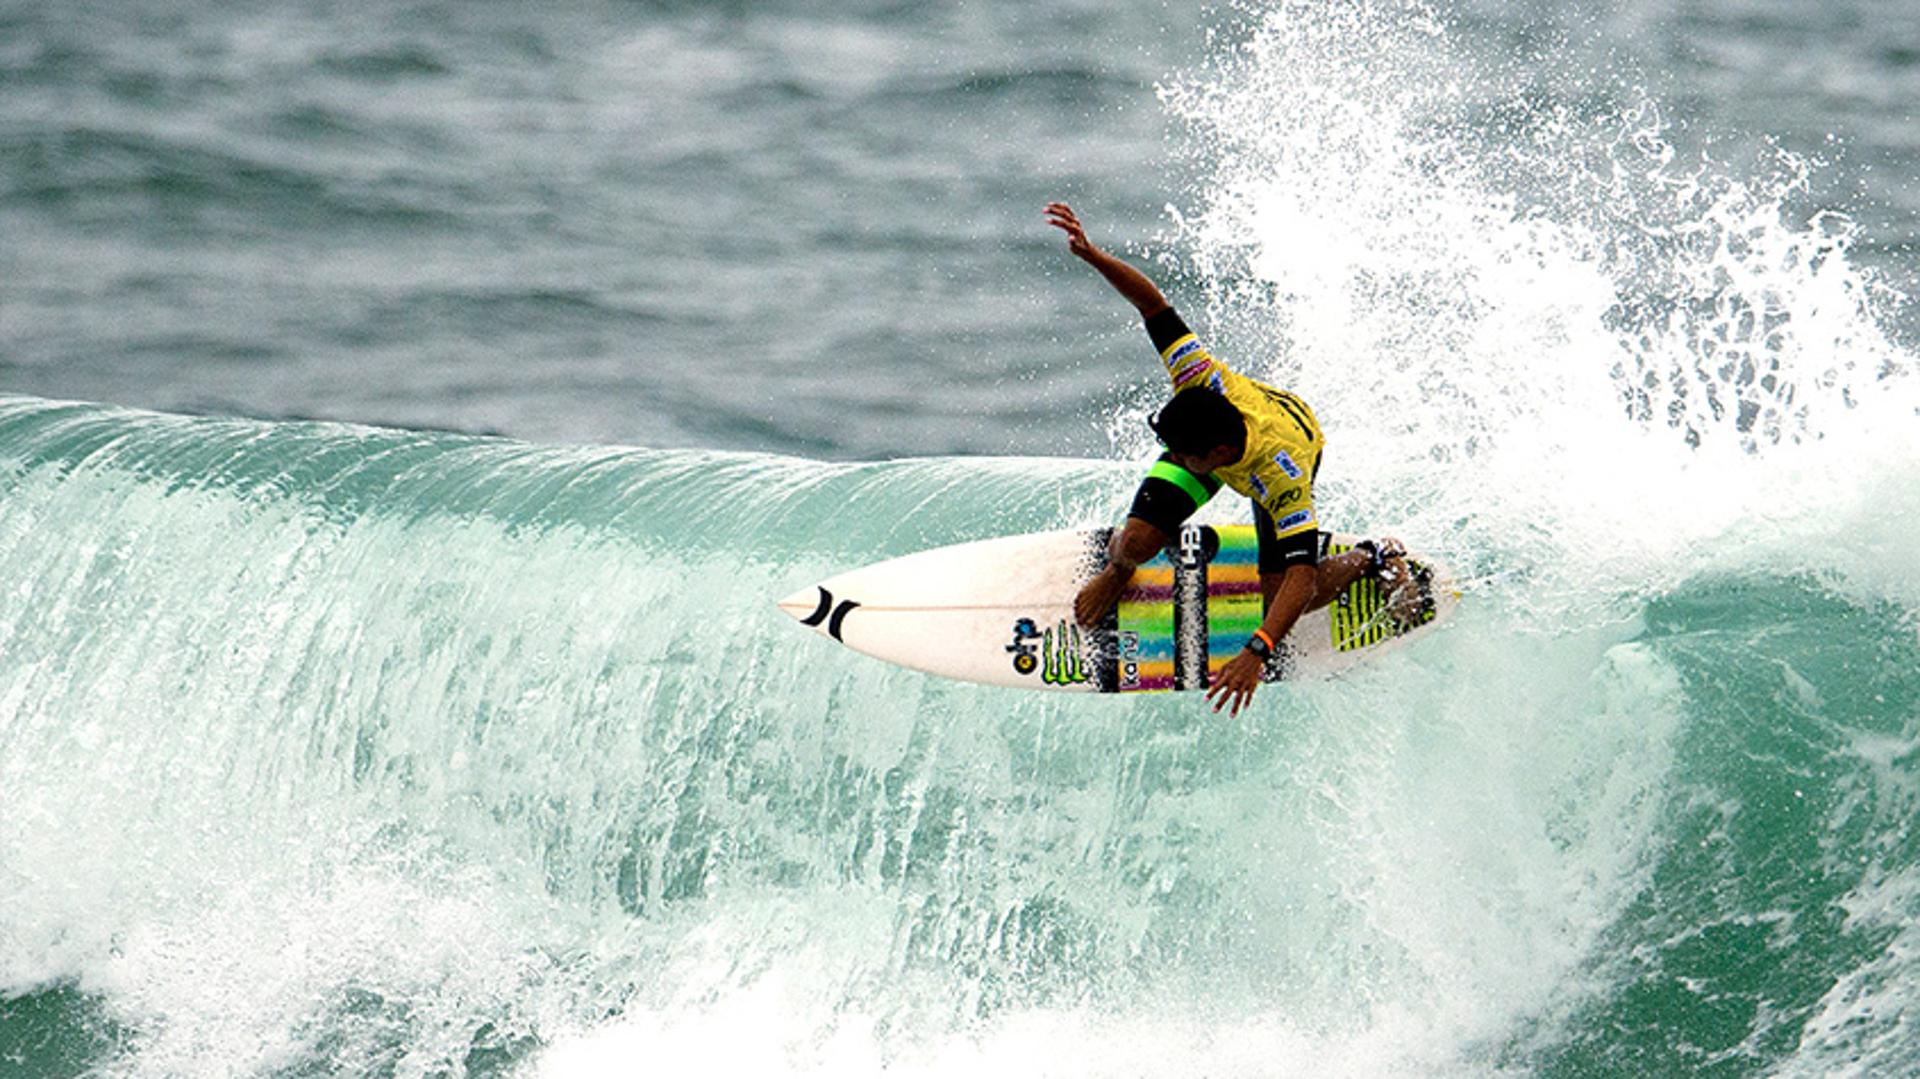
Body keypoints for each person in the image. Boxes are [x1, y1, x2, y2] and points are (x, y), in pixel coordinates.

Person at [1045, 201, 1414, 716]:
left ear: (1215, 456)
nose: (1168, 458)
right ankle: (1119, 571)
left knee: (1283, 600)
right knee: (1134, 542)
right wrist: (1092, 255)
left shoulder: (1280, 477)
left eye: (1178, 454)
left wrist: (1255, 651)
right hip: (1223, 431)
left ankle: (1373, 556)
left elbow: (1303, 579)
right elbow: (1152, 305)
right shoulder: (1197, 375)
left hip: (1288, 444)